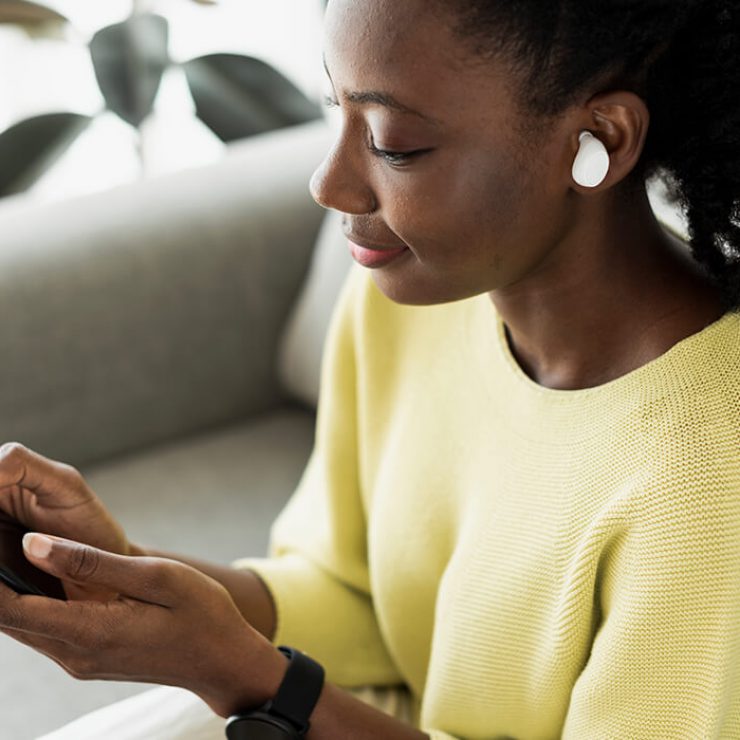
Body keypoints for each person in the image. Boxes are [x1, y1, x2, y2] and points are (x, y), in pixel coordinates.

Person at [1, 0, 739, 737]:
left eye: (394, 145)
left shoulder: (706, 488)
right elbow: (350, 593)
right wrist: (113, 570)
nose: (328, 184)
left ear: (600, 138)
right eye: (337, 110)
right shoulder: (413, 290)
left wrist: (237, 673)